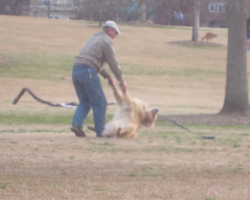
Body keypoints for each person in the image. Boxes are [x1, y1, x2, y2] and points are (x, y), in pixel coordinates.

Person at [71, 21, 127, 137]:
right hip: (88, 73)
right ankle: (101, 131)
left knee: (85, 101)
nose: (115, 36)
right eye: (115, 33)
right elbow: (113, 62)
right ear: (110, 30)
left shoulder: (95, 37)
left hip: (76, 71)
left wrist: (107, 76)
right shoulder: (107, 40)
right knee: (100, 102)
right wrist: (121, 80)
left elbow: (91, 60)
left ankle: (76, 124)